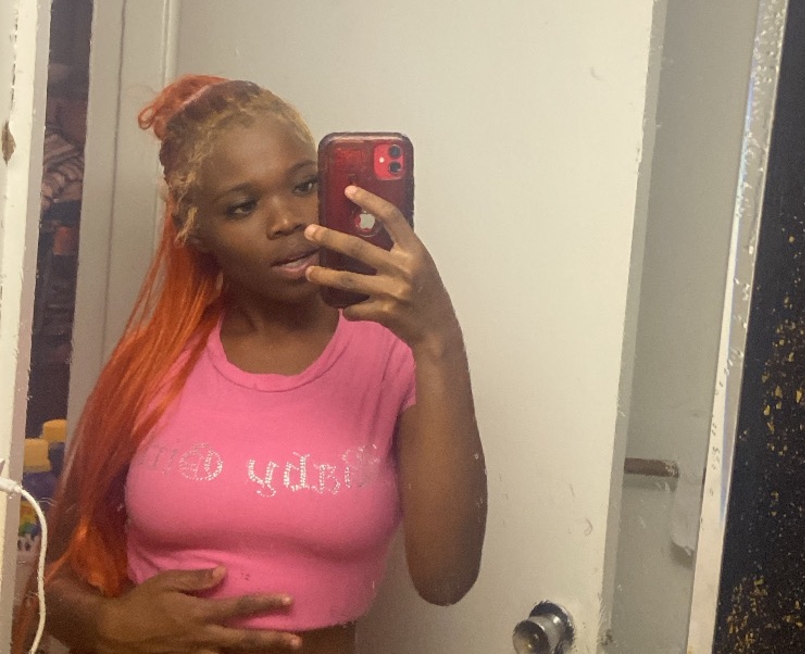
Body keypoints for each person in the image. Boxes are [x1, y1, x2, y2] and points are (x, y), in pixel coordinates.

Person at [15, 75, 487, 654]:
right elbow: (50, 579)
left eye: (305, 185)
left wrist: (440, 338)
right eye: (242, 206)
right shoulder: (153, 362)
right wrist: (109, 626)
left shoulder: (399, 356)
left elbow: (446, 580)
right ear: (196, 232)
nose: (286, 219)